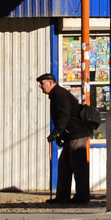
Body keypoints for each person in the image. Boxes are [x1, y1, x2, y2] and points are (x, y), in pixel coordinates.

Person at [37, 73, 92, 204]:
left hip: (77, 133)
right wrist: (60, 135)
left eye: (42, 83)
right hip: (69, 134)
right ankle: (62, 196)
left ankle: (82, 196)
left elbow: (64, 116)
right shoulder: (55, 94)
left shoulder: (60, 94)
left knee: (78, 165)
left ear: (50, 82)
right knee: (64, 165)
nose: (40, 86)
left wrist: (56, 133)